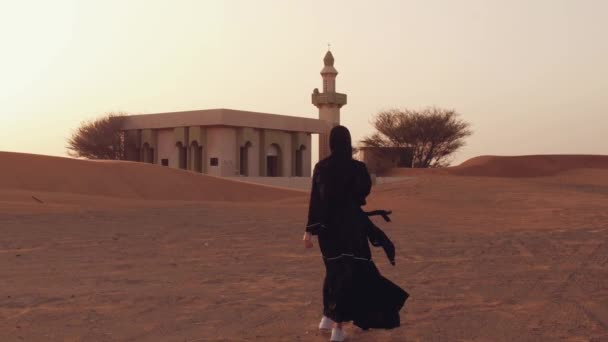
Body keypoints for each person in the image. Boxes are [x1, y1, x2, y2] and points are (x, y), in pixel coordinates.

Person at [303, 125, 408, 342]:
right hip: (352, 226)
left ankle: (329, 319)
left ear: (332, 143)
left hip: (329, 230)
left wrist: (310, 231)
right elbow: (363, 194)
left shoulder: (321, 167)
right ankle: (336, 327)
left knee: (335, 271)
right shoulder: (358, 168)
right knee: (348, 273)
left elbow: (317, 200)